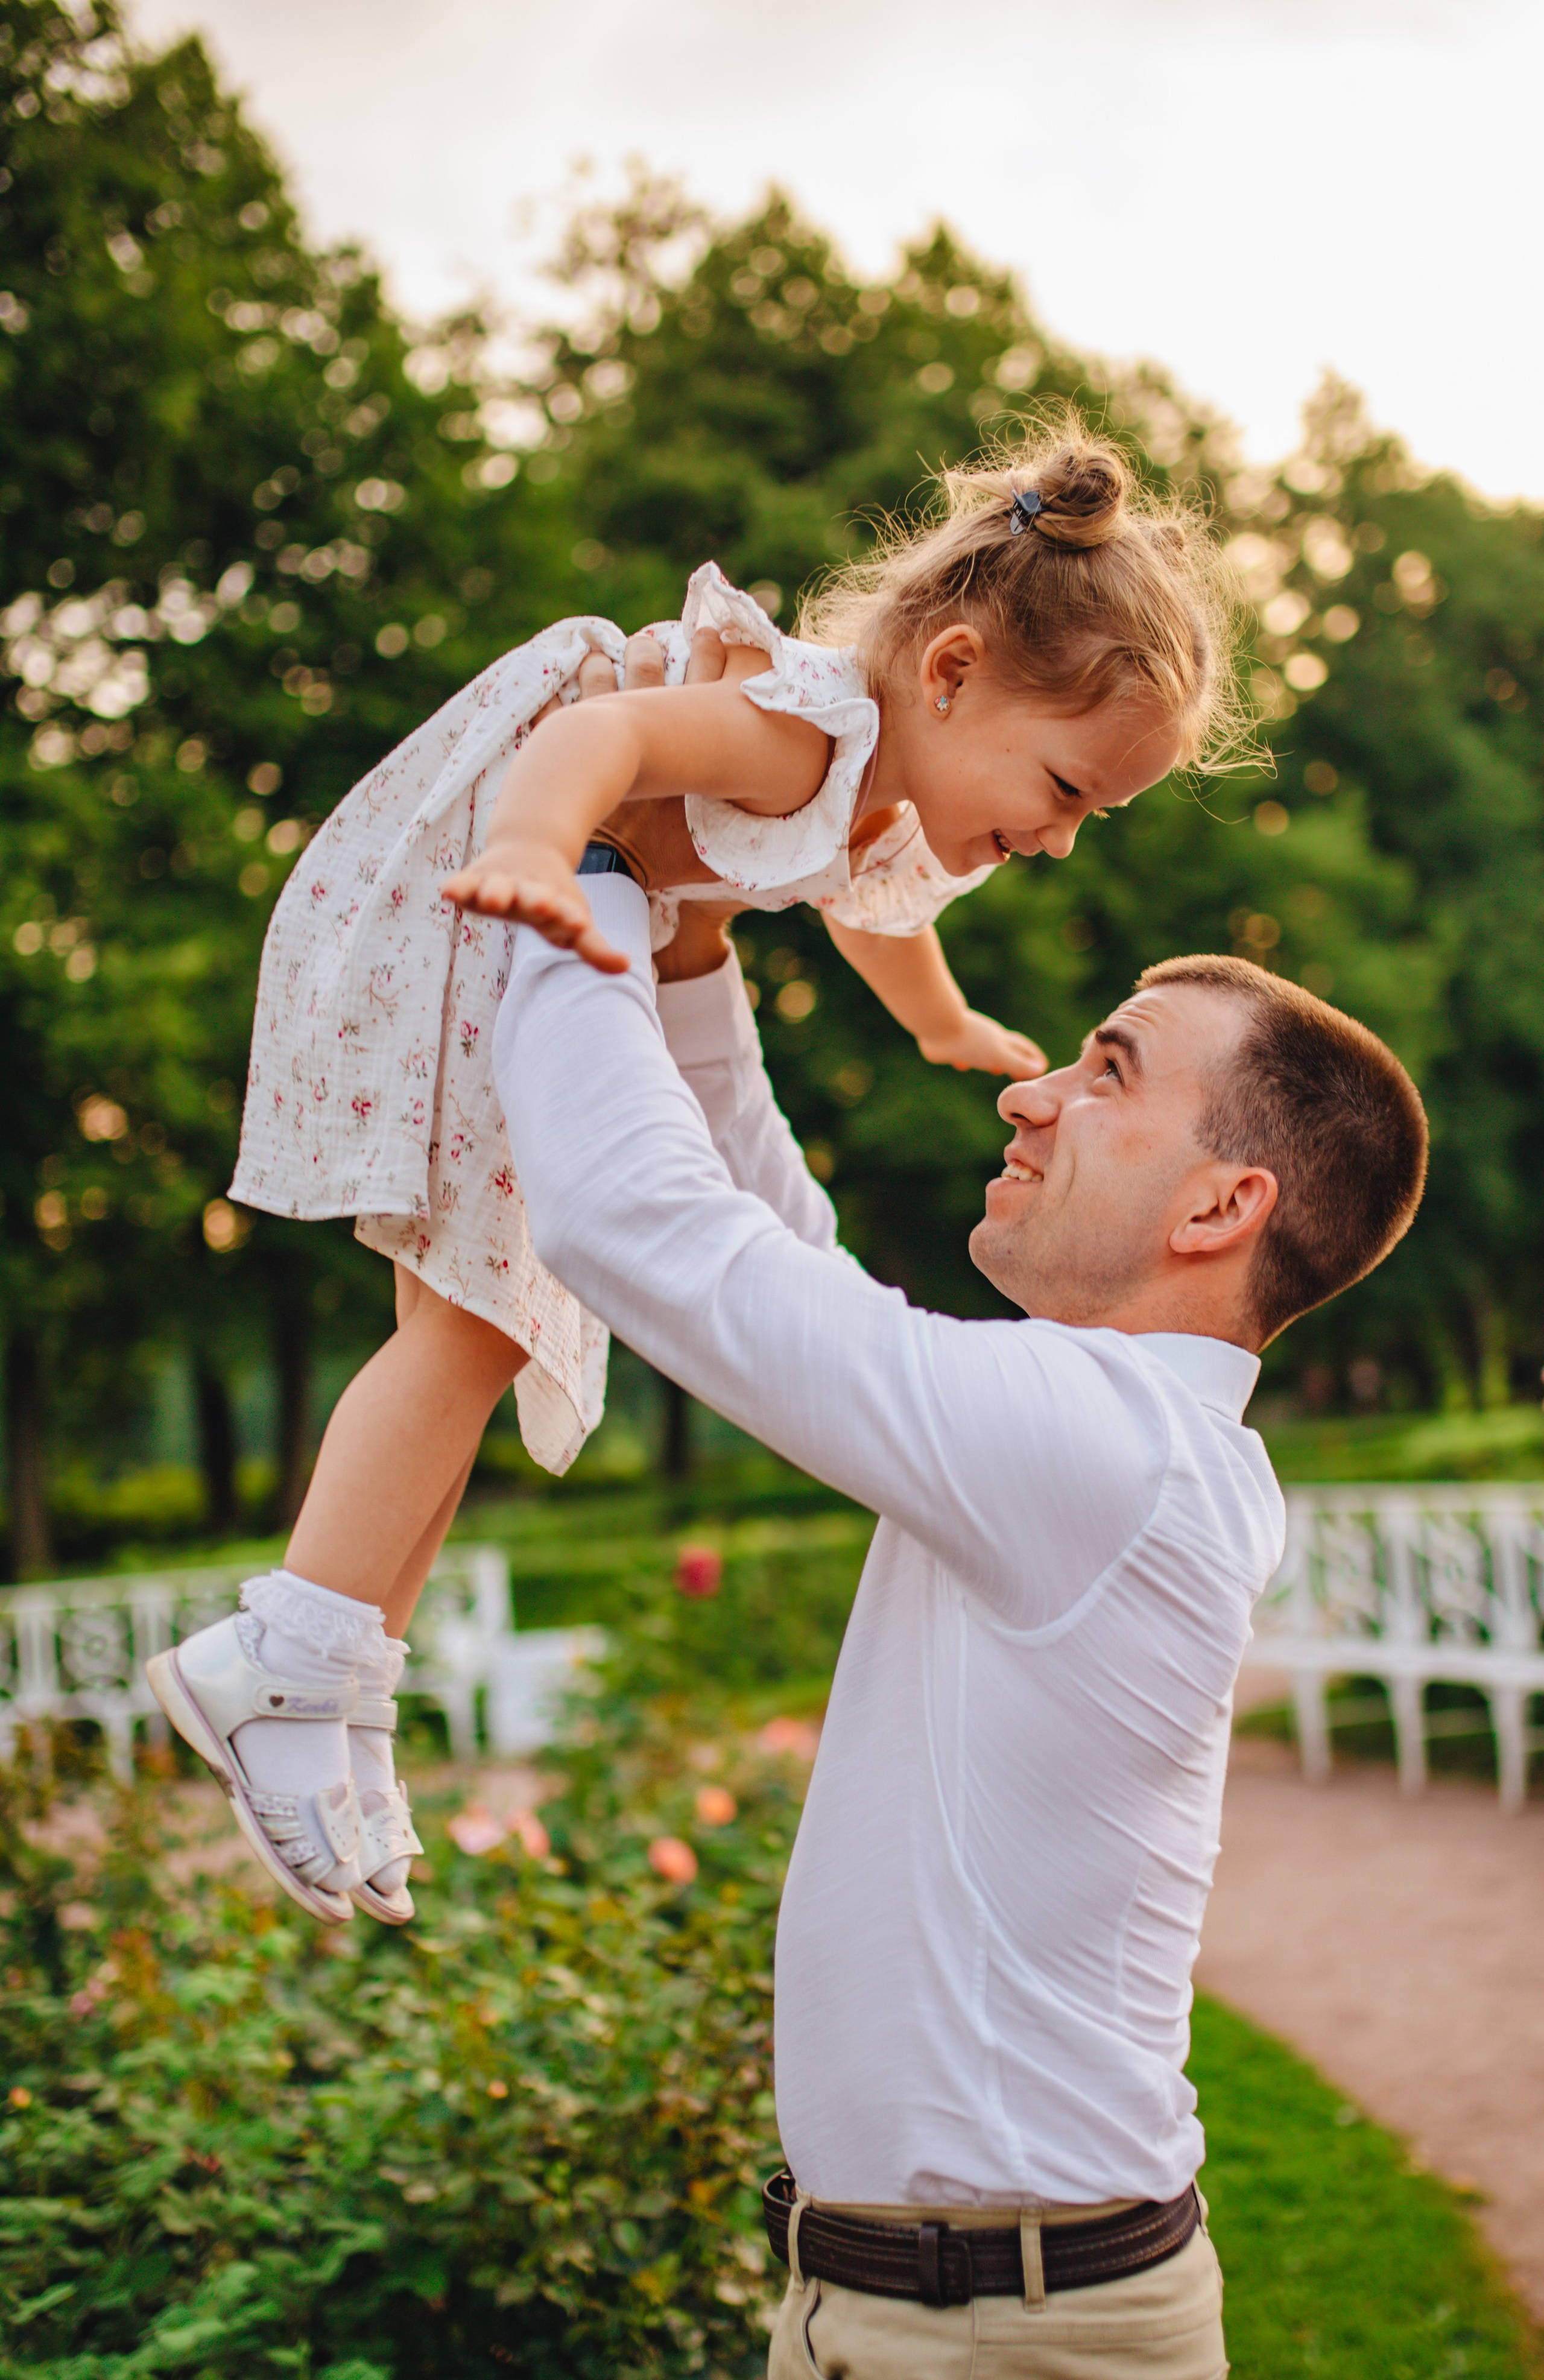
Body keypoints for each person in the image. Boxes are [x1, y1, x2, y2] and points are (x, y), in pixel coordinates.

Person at [149, 422, 1242, 1925]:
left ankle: (342, 1693)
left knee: (480, 1331)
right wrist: (541, 852)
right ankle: (284, 1651)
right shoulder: (800, 728)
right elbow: (598, 745)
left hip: (559, 924)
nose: (1055, 840)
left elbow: (873, 905)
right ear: (948, 672)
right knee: (464, 1330)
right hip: (493, 886)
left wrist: (936, 1018)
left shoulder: (878, 792)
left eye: (1085, 818)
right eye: (1062, 788)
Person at [482, 732, 1428, 2376]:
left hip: (1001, 2333)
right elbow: (792, 1265)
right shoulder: (1117, 1438)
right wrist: (697, 966)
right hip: (943, 2308)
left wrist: (589, 878)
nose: (1030, 1089)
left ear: (1222, 1208)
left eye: (1112, 1072)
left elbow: (642, 1227)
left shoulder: (1109, 1452)